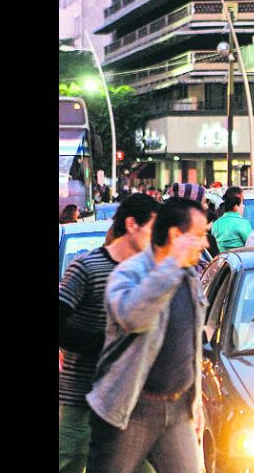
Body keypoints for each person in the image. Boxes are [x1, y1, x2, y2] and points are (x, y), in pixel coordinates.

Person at [85, 198, 209, 473]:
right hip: (130, 409)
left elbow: (191, 345)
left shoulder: (189, 277)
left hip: (177, 409)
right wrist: (171, 264)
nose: (205, 243)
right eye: (199, 235)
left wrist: (196, 402)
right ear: (175, 235)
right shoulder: (128, 273)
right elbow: (133, 318)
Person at [59, 194, 160, 473]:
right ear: (131, 224)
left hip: (132, 401)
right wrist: (105, 343)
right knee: (70, 464)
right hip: (82, 396)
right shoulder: (87, 267)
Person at [212, 186, 253, 252]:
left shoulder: (216, 224)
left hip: (222, 258)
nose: (244, 206)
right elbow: (252, 247)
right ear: (236, 206)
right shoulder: (242, 223)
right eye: (242, 202)